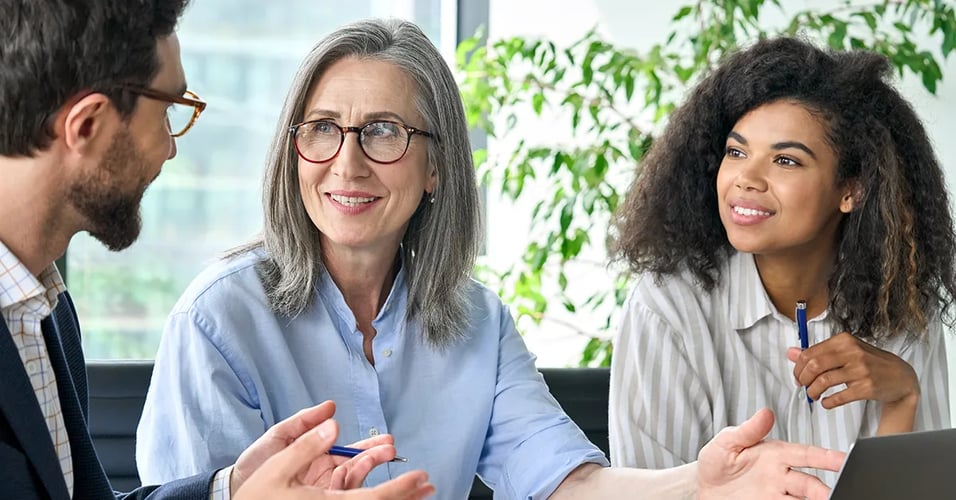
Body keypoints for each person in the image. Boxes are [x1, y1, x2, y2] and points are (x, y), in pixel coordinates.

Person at [136, 19, 845, 499]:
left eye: (383, 131)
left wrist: (697, 483)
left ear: (437, 166)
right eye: (323, 129)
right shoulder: (217, 320)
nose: (346, 163)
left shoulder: (478, 321)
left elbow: (566, 483)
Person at [0, 1, 438, 499]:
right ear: (88, 126)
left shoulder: (43, 311)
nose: (171, 147)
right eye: (167, 111)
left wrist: (230, 491)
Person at [608, 36, 955, 486]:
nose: (746, 179)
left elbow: (919, 495)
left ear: (852, 189)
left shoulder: (903, 303)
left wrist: (902, 398)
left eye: (786, 160)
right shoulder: (669, 309)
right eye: (736, 152)